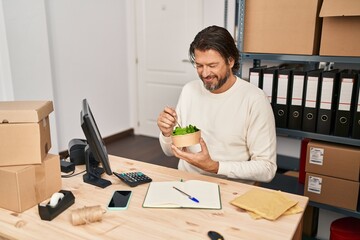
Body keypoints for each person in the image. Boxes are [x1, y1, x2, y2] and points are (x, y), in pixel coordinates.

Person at [157, 25, 277, 184]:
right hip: (186, 182)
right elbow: (169, 152)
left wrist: (215, 167)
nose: (205, 74)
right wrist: (167, 133)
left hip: (229, 187)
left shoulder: (254, 99)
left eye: (212, 65)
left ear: (231, 61)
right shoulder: (189, 90)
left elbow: (267, 169)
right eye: (199, 66)